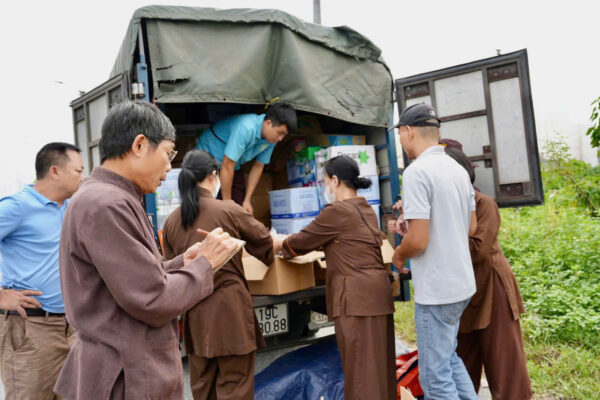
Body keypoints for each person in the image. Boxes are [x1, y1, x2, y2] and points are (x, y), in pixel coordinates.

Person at [55, 101, 239, 400]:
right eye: (168, 153)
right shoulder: (107, 203)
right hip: (127, 375)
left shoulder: (114, 196)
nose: (169, 166)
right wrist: (205, 263)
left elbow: (131, 278)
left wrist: (185, 261)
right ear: (140, 144)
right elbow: (151, 297)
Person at [273, 155, 396, 400]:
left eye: (325, 180)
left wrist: (275, 242)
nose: (324, 186)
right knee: (379, 370)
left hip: (356, 300)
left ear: (336, 180)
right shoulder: (365, 210)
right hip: (378, 295)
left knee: (361, 372)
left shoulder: (337, 211)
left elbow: (300, 242)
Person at [162, 149, 274, 400]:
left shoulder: (170, 221)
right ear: (213, 176)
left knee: (202, 389)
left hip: (194, 318)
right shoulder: (228, 210)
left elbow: (170, 270)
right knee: (235, 387)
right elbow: (263, 241)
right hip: (230, 312)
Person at [390, 103, 478, 400]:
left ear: (408, 131)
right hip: (462, 285)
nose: (400, 140)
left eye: (400, 134)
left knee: (435, 377)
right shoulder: (457, 169)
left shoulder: (417, 172)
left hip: (437, 291)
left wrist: (399, 254)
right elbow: (469, 227)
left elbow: (419, 242)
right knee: (449, 359)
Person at [443, 145, 533, 400]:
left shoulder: (484, 204)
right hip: (463, 294)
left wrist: (437, 236)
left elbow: (478, 251)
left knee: (505, 366)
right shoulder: (447, 208)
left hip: (493, 289)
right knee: (462, 363)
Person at [0, 142, 83, 399]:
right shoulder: (17, 207)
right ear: (55, 171)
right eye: (78, 171)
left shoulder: (69, 208)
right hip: (30, 330)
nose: (83, 177)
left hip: (71, 328)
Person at [196, 103, 297, 213]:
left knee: (240, 208)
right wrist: (227, 202)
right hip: (208, 157)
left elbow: (258, 166)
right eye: (280, 133)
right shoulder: (246, 128)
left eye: (284, 135)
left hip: (233, 164)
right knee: (215, 207)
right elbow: (227, 165)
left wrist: (247, 200)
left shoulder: (271, 139)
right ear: (269, 123)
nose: (280, 139)